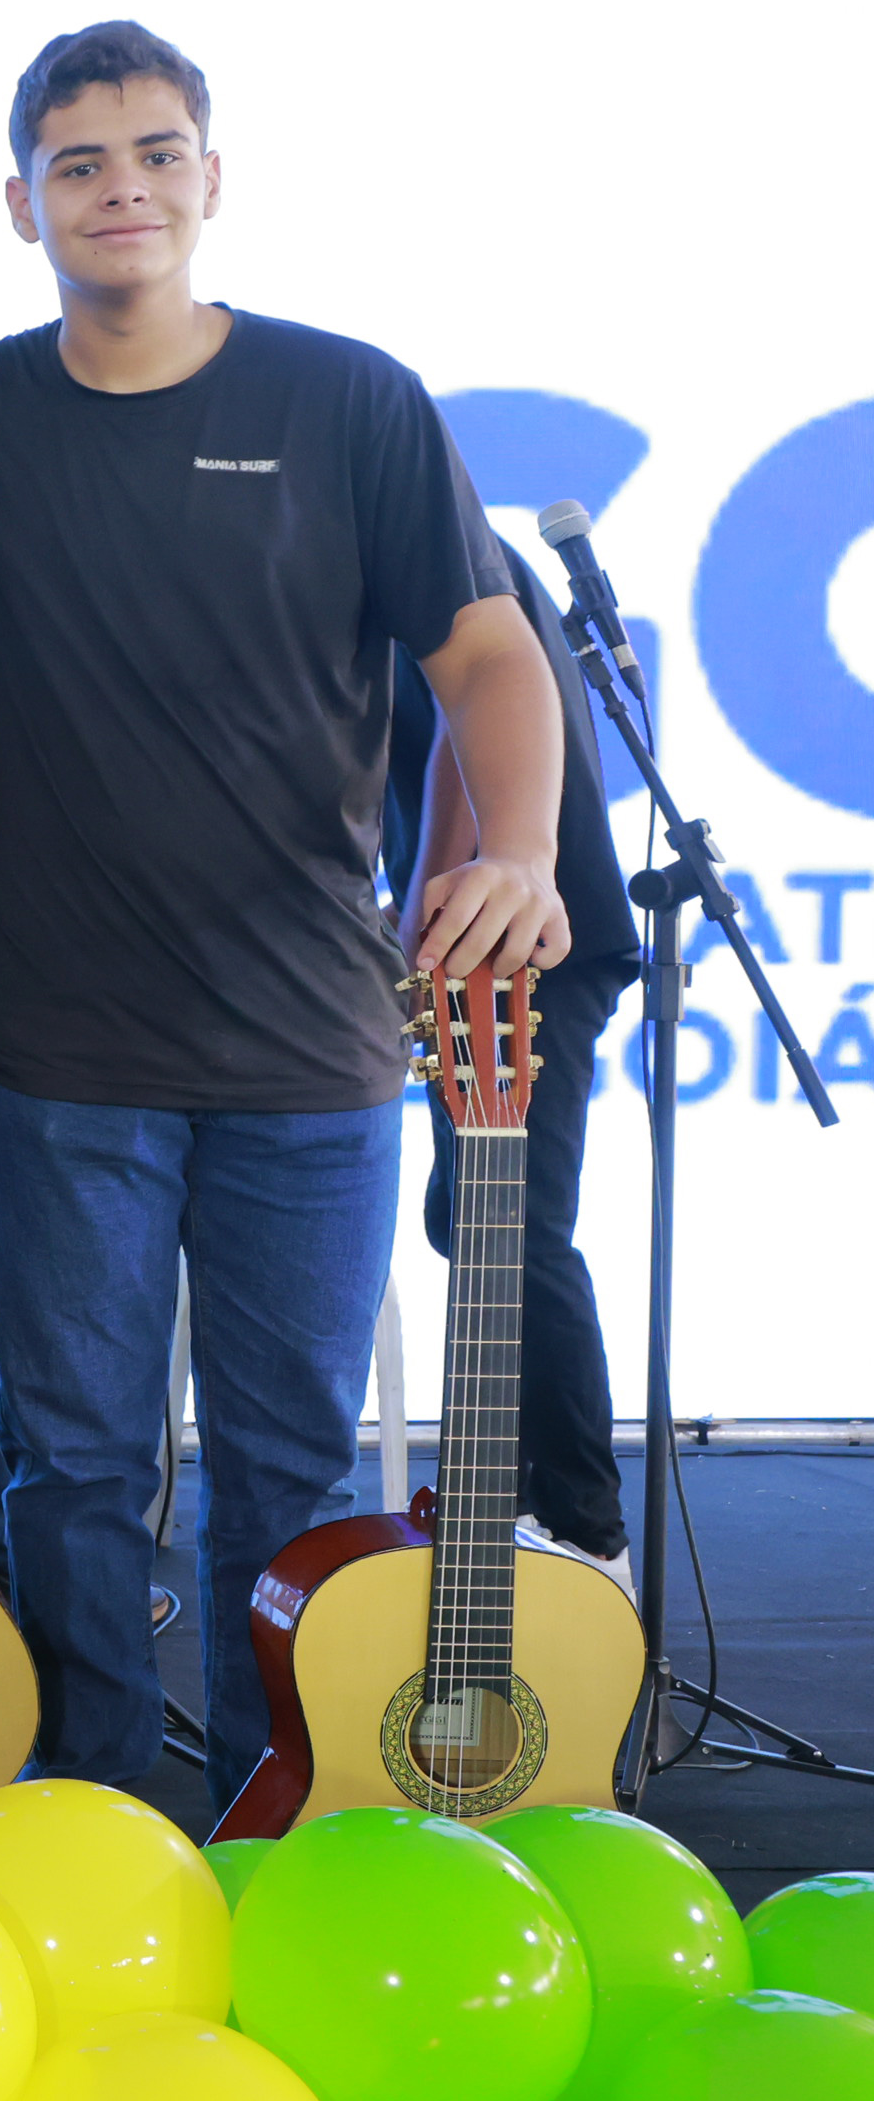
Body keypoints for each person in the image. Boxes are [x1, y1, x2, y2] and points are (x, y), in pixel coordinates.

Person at [0, 21, 569, 1808]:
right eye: (80, 164)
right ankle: (91, 1822)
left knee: (290, 1484)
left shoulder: (348, 401)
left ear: (211, 178)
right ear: (18, 203)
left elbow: (490, 654)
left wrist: (518, 849)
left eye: (156, 154)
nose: (122, 190)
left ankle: (275, 1825)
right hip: (54, 1052)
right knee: (72, 1471)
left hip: (307, 1053)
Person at [387, 542, 642, 1576]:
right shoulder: (451, 544)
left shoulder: (438, 549)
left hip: (514, 944)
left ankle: (589, 1532)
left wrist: (416, 915)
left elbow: (466, 737)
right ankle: (522, 1498)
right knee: (471, 1220)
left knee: (515, 1231)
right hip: (494, 936)